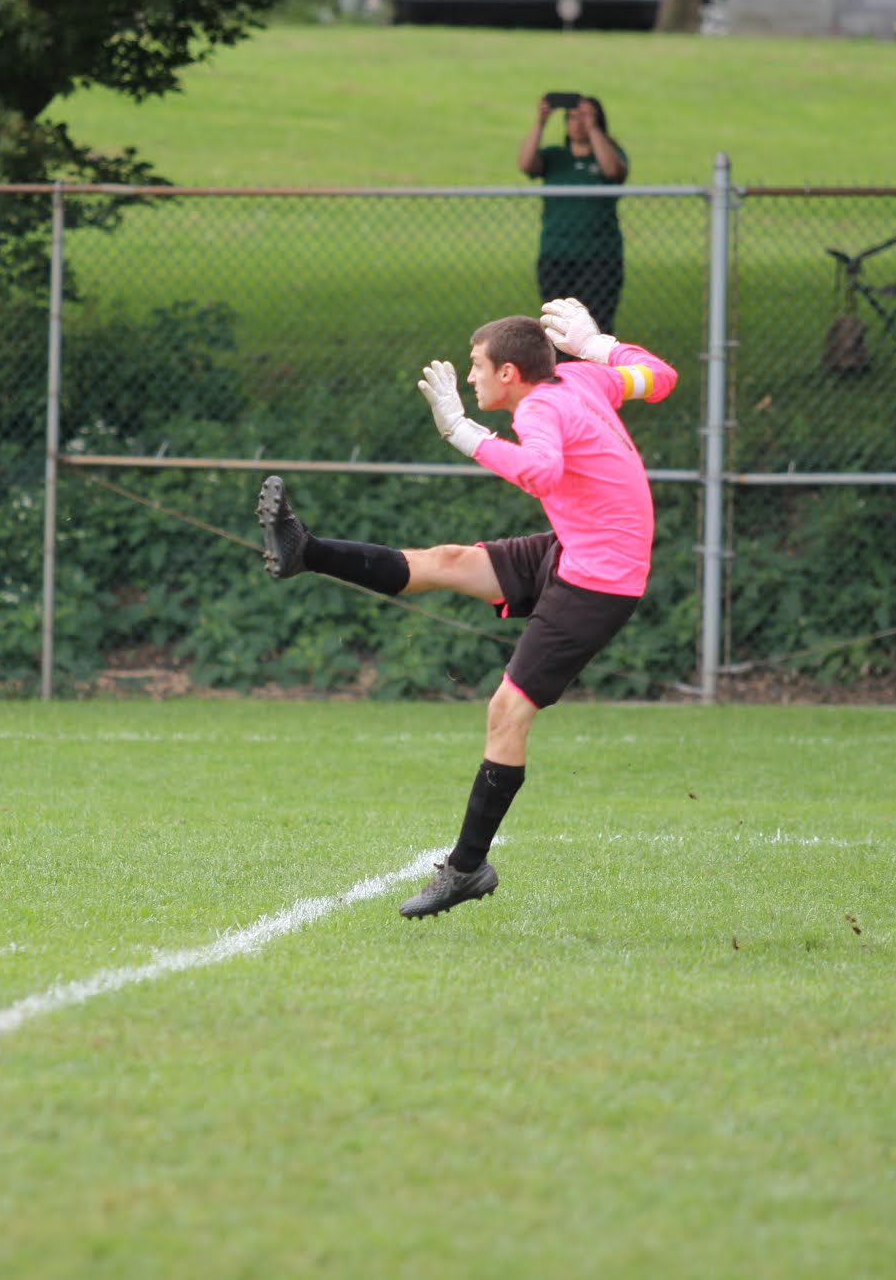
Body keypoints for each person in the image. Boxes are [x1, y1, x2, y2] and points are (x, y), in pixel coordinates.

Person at [256, 298, 677, 919]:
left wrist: (461, 432)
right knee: (448, 561)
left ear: (510, 372)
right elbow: (658, 377)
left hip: (599, 578)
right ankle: (305, 551)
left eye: (478, 365)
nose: (471, 376)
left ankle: (466, 867)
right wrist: (597, 347)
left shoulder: (541, 403)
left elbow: (540, 471)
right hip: (578, 547)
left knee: (507, 712)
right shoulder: (582, 376)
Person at [519, 93, 630, 334]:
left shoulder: (610, 154)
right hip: (557, 253)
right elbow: (526, 164)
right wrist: (540, 122)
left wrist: (594, 130)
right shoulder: (555, 157)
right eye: (572, 117)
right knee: (557, 327)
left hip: (600, 255)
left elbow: (613, 170)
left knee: (598, 326)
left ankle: (595, 372)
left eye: (585, 117)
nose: (577, 123)